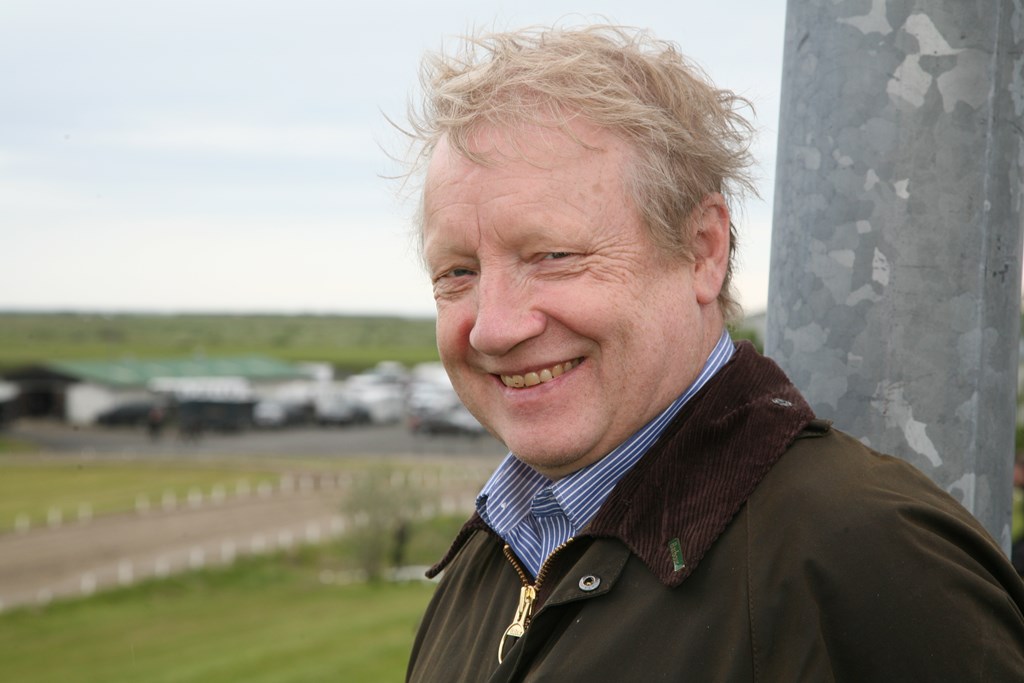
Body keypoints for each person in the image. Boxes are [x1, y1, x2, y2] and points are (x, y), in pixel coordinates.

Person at [400, 25, 1024, 682]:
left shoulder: (868, 558)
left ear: (703, 250)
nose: (493, 329)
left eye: (553, 256)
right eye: (458, 273)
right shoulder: (493, 558)